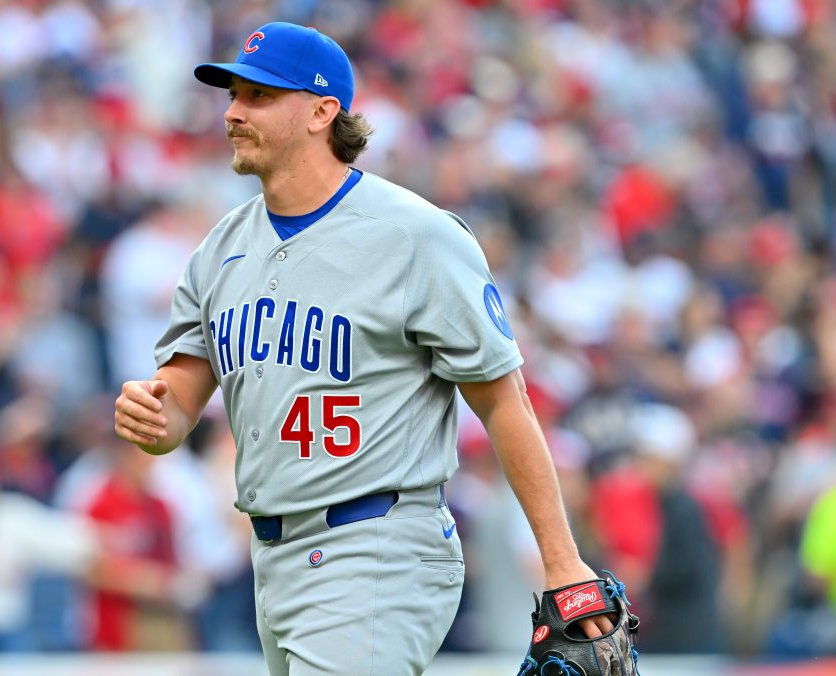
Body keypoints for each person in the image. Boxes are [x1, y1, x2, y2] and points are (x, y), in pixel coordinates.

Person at [113, 21, 611, 675]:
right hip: (273, 556)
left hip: (378, 546)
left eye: (259, 95)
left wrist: (561, 559)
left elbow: (503, 402)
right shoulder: (220, 249)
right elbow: (176, 407)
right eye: (233, 95)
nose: (233, 112)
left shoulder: (415, 236)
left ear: (323, 112)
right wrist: (152, 415)